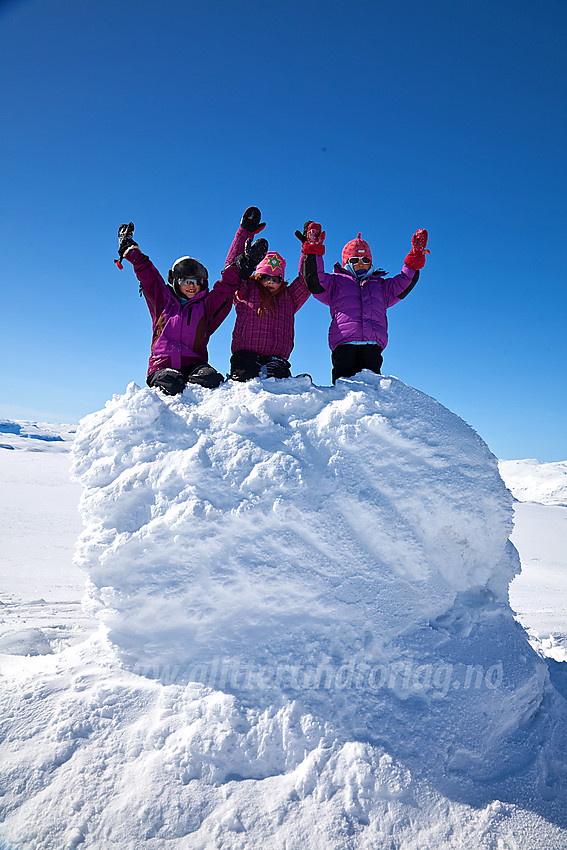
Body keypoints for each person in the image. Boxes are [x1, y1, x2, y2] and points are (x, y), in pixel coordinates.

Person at [115, 221, 268, 395]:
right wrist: (130, 250)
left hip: (194, 365)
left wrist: (241, 270)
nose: (192, 286)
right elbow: (148, 274)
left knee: (210, 379)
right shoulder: (162, 301)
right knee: (171, 383)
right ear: (175, 281)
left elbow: (225, 288)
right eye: (186, 281)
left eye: (197, 281)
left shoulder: (205, 306)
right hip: (162, 365)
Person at [297, 222, 429, 383]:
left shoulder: (380, 286)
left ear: (371, 263)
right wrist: (314, 251)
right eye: (355, 260)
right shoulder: (336, 282)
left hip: (372, 346)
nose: (360, 263)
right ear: (346, 263)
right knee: (344, 385)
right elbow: (315, 280)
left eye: (365, 260)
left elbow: (404, 282)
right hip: (344, 344)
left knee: (371, 388)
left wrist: (415, 258)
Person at [224, 207, 311, 381]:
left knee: (277, 383)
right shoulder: (246, 289)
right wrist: (245, 233)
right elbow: (232, 269)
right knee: (244, 379)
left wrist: (309, 250)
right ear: (257, 275)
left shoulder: (289, 297)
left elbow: (306, 280)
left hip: (277, 359)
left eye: (276, 278)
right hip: (245, 355)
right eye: (265, 277)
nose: (271, 282)